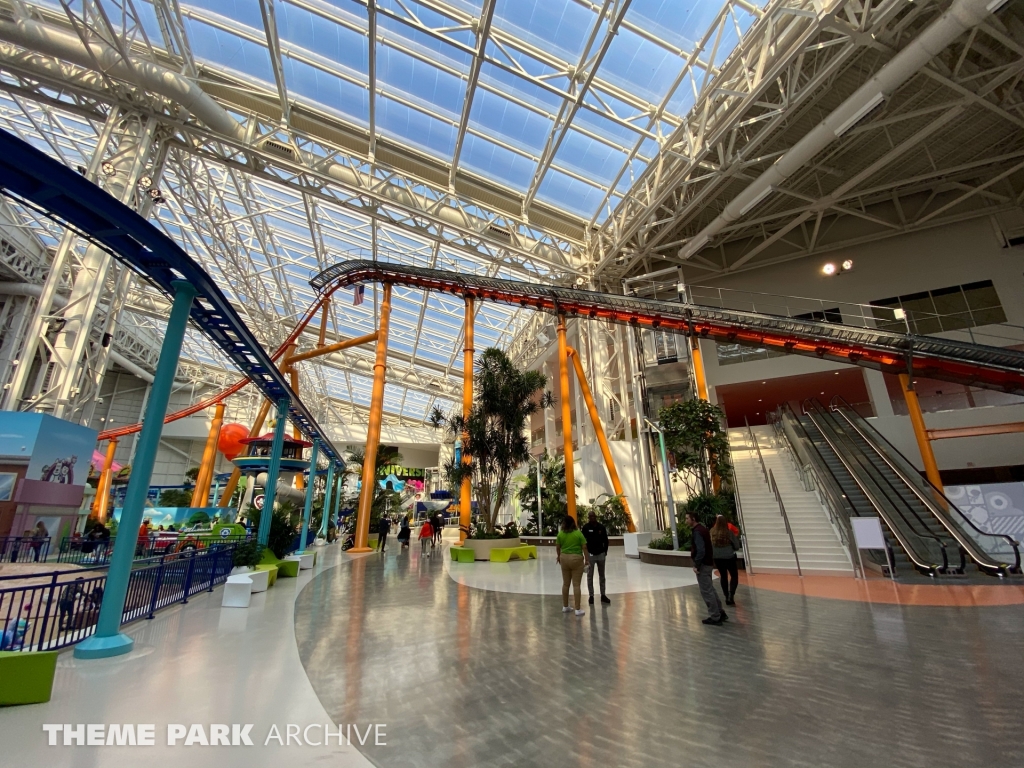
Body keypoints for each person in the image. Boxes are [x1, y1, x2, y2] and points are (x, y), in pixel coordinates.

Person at [686, 512, 726, 625]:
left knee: (706, 591)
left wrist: (696, 565)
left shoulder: (697, 532)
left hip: (703, 565)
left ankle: (715, 616)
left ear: (693, 519)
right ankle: (719, 612)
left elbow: (701, 550)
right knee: (710, 589)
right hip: (708, 563)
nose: (686, 521)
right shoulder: (702, 529)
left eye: (687, 518)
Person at [555, 515, 589, 616]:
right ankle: (577, 609)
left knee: (566, 584)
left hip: (564, 559)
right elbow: (584, 547)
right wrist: (587, 560)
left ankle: (565, 606)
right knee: (576, 584)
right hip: (576, 559)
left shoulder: (560, 534)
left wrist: (559, 556)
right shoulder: (578, 533)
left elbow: (557, 547)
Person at [580, 510, 610, 605]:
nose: (592, 518)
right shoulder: (585, 528)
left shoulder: (601, 527)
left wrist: (605, 551)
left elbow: (606, 540)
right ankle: (591, 596)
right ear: (588, 518)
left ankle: (603, 595)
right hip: (591, 555)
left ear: (596, 516)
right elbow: (583, 542)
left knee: (602, 576)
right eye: (590, 516)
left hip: (601, 554)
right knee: (590, 576)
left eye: (593, 516)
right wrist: (586, 555)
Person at [711, 515, 741, 606]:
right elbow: (736, 546)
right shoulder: (729, 533)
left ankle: (726, 595)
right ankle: (731, 595)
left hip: (717, 558)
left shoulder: (712, 532)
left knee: (723, 576)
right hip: (729, 557)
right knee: (734, 575)